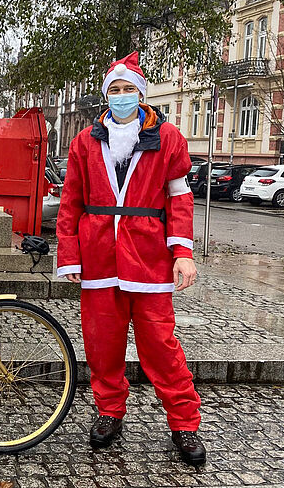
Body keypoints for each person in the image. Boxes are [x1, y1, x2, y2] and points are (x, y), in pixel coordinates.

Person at [55, 52, 205, 466]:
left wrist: (183, 253)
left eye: (128, 90)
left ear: (141, 95)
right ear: (107, 96)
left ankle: (184, 422)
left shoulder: (169, 137)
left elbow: (179, 198)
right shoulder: (85, 141)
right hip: (99, 257)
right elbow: (71, 201)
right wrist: (69, 254)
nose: (121, 97)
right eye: (115, 90)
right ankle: (109, 412)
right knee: (102, 345)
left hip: (149, 257)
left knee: (161, 346)